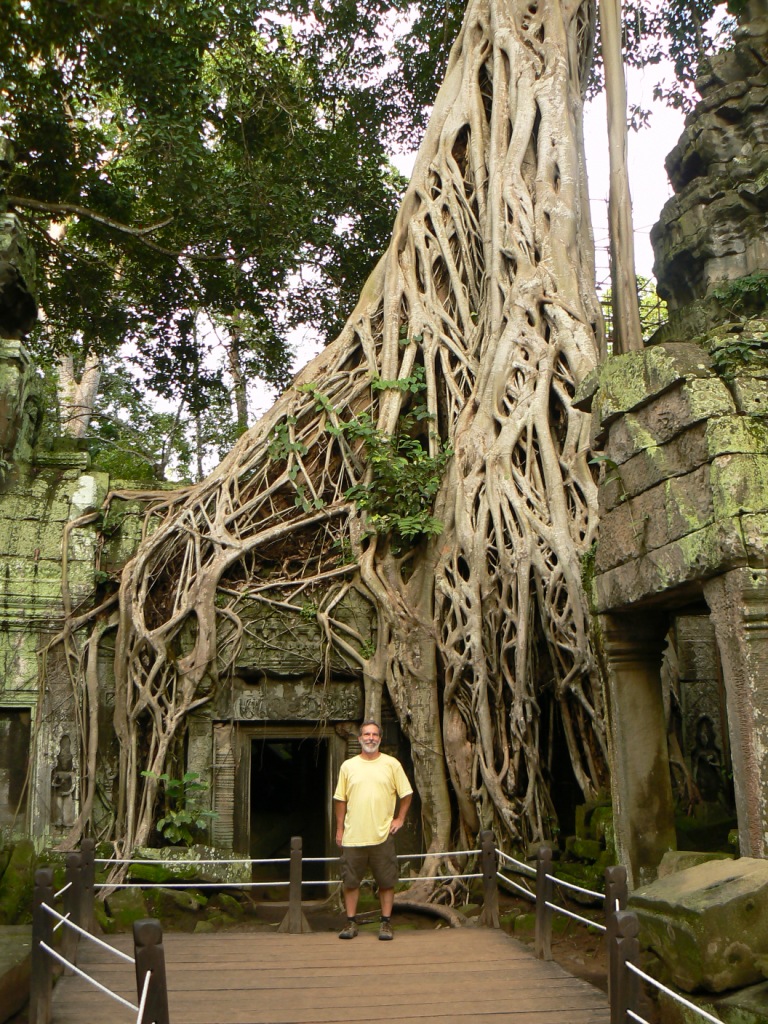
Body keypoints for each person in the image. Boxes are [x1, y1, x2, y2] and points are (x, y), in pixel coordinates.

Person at [334, 719, 413, 941]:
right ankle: (351, 922)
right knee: (350, 882)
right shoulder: (348, 766)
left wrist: (399, 818)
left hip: (382, 835)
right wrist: (340, 829)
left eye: (375, 735)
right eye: (366, 734)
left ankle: (386, 923)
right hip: (353, 836)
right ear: (360, 739)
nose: (370, 738)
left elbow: (406, 793)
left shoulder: (391, 764)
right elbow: (340, 800)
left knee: (386, 882)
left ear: (379, 739)